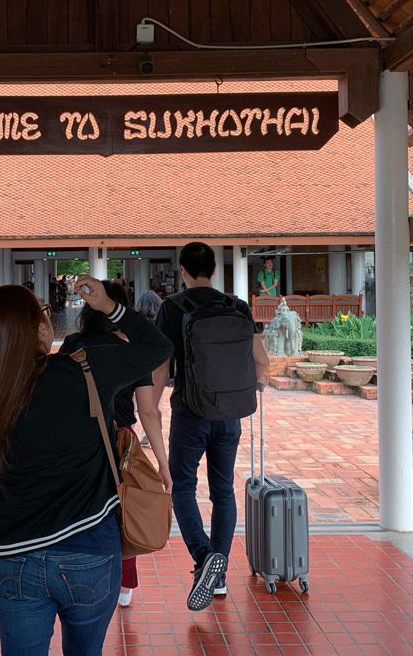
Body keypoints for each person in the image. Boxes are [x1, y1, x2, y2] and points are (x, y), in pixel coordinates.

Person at [0, 277, 173, 656]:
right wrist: (110, 307)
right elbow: (158, 346)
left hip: (16, 556)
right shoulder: (83, 369)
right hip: (89, 549)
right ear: (39, 327)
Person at [155, 242, 270, 612]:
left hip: (190, 414)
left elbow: (160, 367)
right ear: (214, 271)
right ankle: (217, 577)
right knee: (223, 491)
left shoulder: (172, 308)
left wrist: (151, 411)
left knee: (182, 486)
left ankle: (204, 558)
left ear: (183, 271)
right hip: (230, 415)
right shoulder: (237, 306)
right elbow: (261, 362)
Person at [58, 281, 173, 610]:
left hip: (79, 440)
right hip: (121, 442)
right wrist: (162, 464)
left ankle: (78, 575)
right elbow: (148, 411)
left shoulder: (73, 344)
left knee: (80, 507)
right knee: (124, 509)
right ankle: (123, 583)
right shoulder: (133, 353)